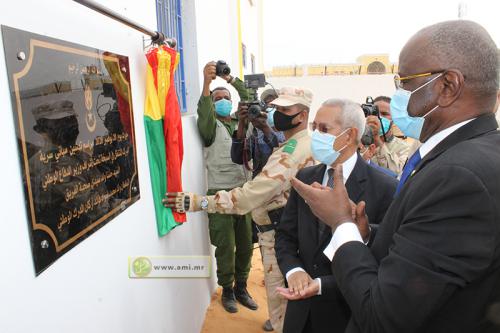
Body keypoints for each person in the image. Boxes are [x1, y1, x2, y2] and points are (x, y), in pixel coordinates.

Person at [291, 20, 500, 332]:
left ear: (448, 86)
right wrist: (369, 234)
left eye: (405, 82)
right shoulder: (470, 153)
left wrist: (341, 225)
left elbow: (382, 317)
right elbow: (431, 247)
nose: (398, 92)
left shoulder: (459, 176)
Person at [165, 87, 316, 332]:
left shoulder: (291, 151)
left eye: (285, 110)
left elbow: (247, 197)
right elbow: (240, 155)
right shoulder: (300, 143)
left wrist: (196, 202)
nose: (278, 114)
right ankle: (234, 293)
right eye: (276, 109)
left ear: (302, 115)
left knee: (283, 310)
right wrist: (244, 126)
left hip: (279, 235)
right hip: (285, 230)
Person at [275, 99, 397, 333]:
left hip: (346, 315)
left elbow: (383, 258)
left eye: (324, 129)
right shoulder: (307, 175)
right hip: (300, 313)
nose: (316, 135)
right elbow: (285, 236)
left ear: (350, 135)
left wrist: (320, 285)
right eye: (315, 127)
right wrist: (294, 271)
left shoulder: (385, 187)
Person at [196, 61, 255, 313]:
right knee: (225, 245)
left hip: (243, 193)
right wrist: (207, 83)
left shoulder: (243, 122)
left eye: (225, 97)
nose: (222, 100)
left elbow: (250, 97)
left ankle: (242, 286)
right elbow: (204, 111)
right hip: (218, 194)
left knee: (245, 244)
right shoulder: (210, 128)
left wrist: (229, 79)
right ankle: (228, 289)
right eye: (217, 98)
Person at [231, 88, 285, 178]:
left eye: (274, 105)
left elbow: (283, 154)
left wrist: (265, 128)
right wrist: (241, 123)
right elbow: (238, 158)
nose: (270, 108)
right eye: (267, 104)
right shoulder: (257, 134)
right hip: (261, 186)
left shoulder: (290, 131)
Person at [366, 96, 410, 175]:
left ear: (394, 119)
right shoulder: (361, 144)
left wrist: (377, 139)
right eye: (375, 113)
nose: (378, 117)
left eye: (384, 114)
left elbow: (395, 173)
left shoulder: (405, 148)